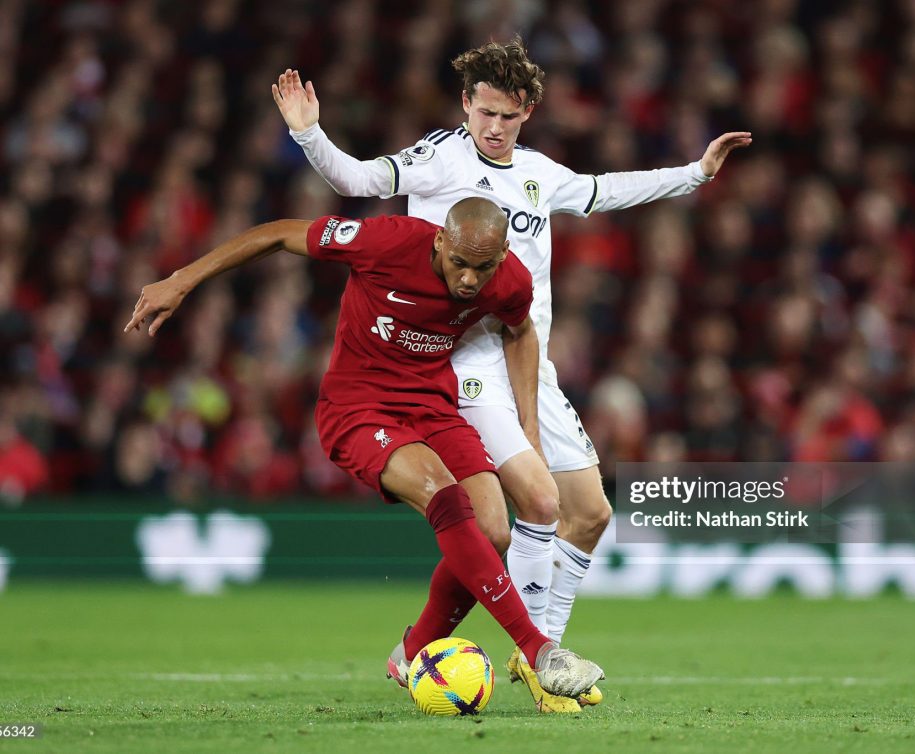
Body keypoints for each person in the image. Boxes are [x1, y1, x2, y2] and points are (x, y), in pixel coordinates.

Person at [272, 36, 751, 712]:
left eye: (507, 115)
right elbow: (357, 181)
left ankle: (528, 653)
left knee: (589, 513)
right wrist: (309, 135)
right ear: (466, 105)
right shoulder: (439, 158)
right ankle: (537, 656)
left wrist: (695, 173)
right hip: (464, 360)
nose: (493, 127)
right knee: (539, 502)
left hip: (531, 361)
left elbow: (605, 191)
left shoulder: (539, 172)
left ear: (527, 111)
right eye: (483, 112)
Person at [124, 197, 604, 702]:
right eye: (459, 262)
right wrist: (181, 279)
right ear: (441, 240)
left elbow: (520, 328)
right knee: (444, 496)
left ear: (503, 255)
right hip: (360, 408)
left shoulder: (510, 281)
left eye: (482, 268)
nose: (468, 280)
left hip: (434, 406)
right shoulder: (387, 242)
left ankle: (413, 650)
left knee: (493, 532)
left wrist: (529, 427)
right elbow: (277, 234)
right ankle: (538, 649)